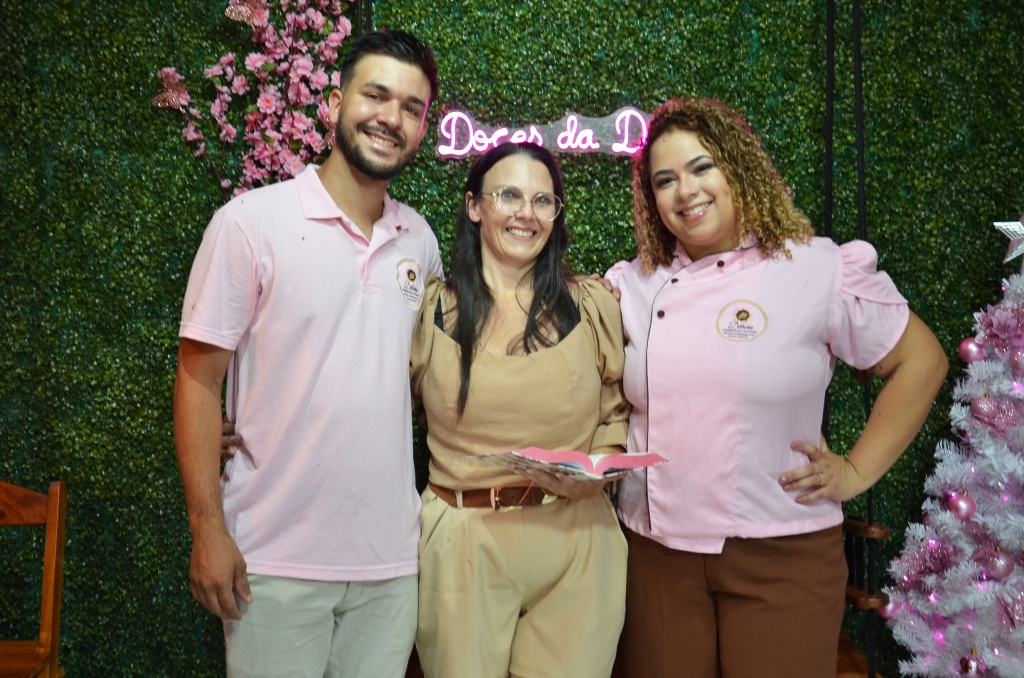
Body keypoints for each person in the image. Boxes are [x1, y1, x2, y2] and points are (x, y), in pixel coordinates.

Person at [607, 98, 949, 678]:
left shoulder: (815, 268)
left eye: (702, 167)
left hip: (782, 551)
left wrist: (856, 471)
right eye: (665, 180)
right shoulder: (631, 283)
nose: (685, 191)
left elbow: (921, 361)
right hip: (657, 554)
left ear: (738, 168)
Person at [173, 30, 441, 678]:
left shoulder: (420, 241)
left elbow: (410, 380)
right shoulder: (249, 224)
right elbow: (198, 381)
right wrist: (207, 530)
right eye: (376, 95)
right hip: (271, 561)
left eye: (411, 107)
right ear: (334, 102)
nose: (391, 117)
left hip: (390, 564)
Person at [409, 141, 630, 678]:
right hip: (465, 542)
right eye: (508, 195)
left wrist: (599, 470)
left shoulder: (590, 306)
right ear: (474, 206)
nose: (526, 213)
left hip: (578, 542)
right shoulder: (431, 310)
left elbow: (614, 410)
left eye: (542, 200)